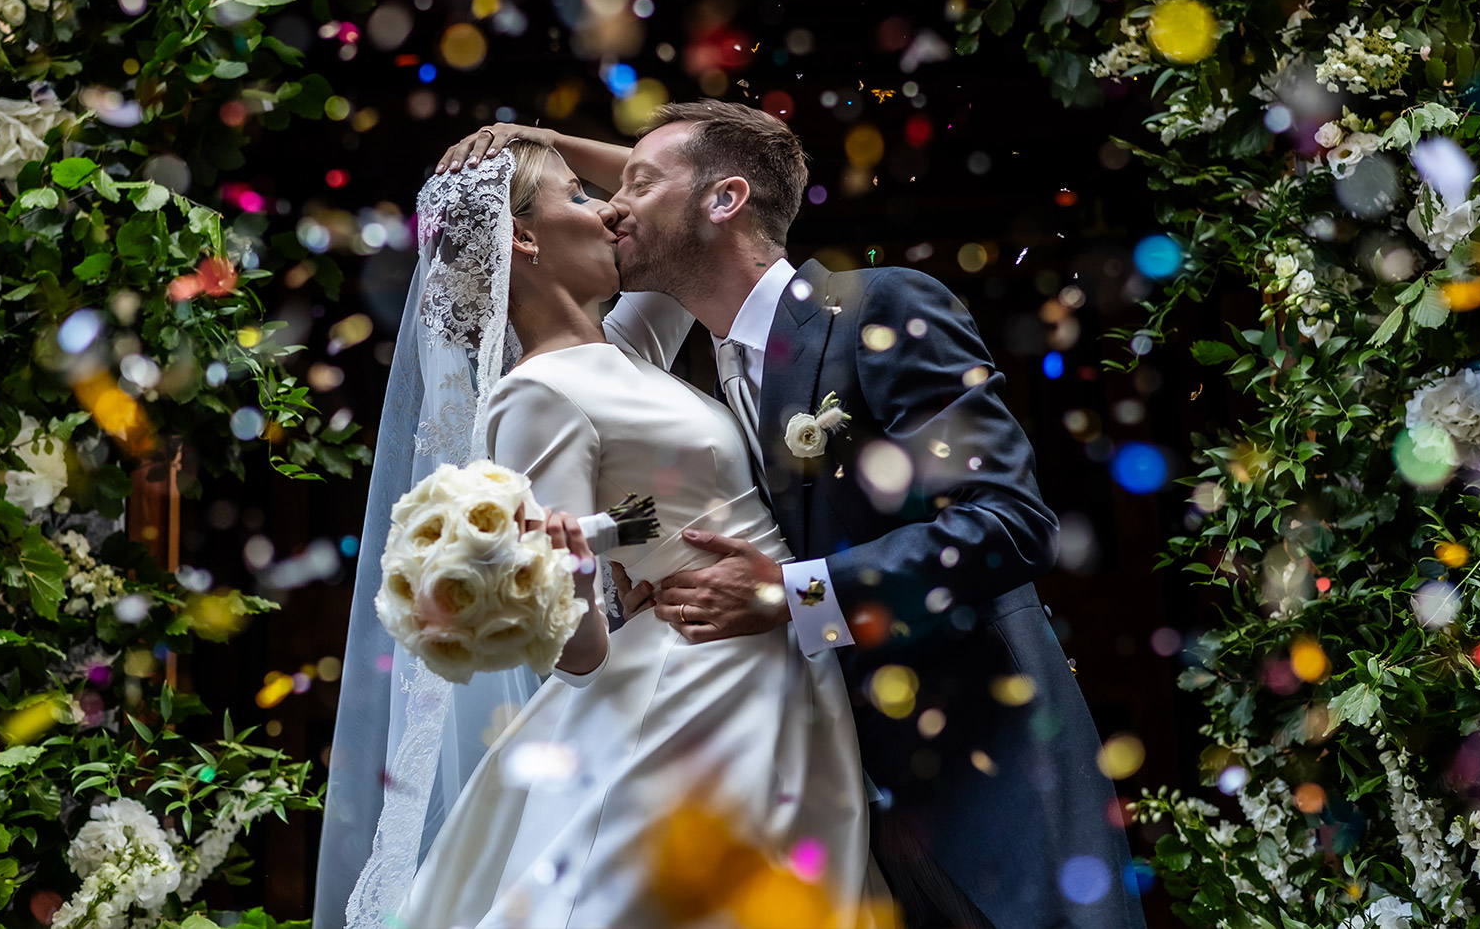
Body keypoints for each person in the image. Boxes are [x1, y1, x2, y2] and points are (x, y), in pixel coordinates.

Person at [434, 102, 1143, 929]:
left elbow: (1011, 521)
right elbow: (667, 514)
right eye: (598, 192)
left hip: (975, 769)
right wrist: (611, 559)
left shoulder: (877, 310)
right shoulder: (678, 364)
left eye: (636, 185)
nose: (613, 204)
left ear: (725, 200)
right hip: (791, 759)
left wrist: (544, 145)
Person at [316, 133, 880, 928]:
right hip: (692, 689)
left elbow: (689, 189)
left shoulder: (630, 341)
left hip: (773, 654)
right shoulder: (536, 394)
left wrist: (538, 139)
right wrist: (579, 584)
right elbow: (575, 658)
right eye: (581, 197)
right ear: (524, 235)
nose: (613, 207)